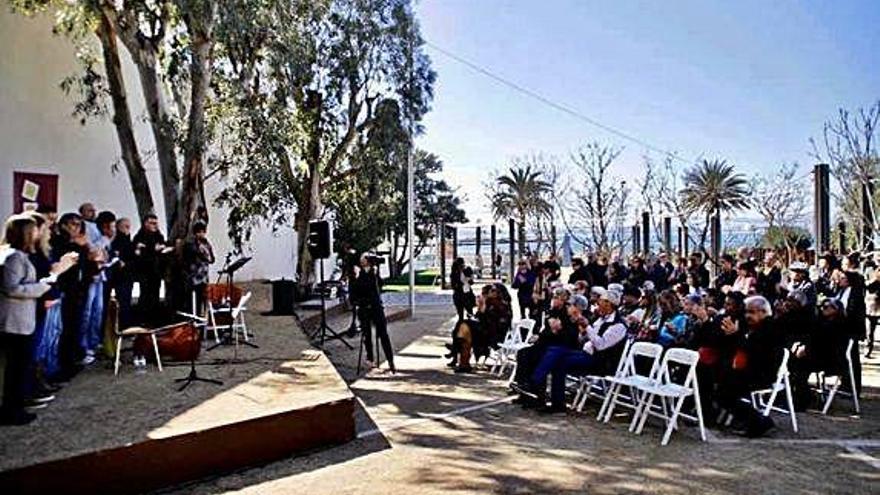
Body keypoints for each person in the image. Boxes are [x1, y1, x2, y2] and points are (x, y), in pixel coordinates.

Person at [1, 214, 75, 425]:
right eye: (33, 230)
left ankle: (17, 405)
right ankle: (11, 409)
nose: (38, 233)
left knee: (20, 366)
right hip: (15, 320)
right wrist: (45, 284)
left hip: (22, 318)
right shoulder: (14, 257)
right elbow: (12, 287)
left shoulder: (20, 256)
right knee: (16, 367)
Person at [523, 289, 628, 413]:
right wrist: (581, 330)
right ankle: (544, 393)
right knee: (554, 351)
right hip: (585, 353)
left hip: (601, 361)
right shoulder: (600, 319)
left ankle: (538, 387)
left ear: (609, 304)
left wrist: (587, 327)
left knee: (559, 360)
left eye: (600, 302)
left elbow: (601, 345)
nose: (597, 304)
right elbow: (586, 338)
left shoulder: (618, 326)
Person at [714, 295, 781, 437]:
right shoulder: (751, 326)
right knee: (714, 376)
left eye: (752, 312)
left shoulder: (771, 328)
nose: (747, 315)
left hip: (761, 373)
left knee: (724, 391)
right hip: (746, 369)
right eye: (746, 312)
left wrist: (736, 334)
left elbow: (754, 351)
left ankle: (759, 421)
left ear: (763, 312)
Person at [351, 254, 395, 372]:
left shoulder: (374, 274)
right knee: (367, 334)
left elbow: (379, 285)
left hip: (376, 308)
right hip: (364, 308)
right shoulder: (358, 274)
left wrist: (376, 272)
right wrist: (356, 276)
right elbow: (355, 291)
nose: (364, 260)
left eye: (366, 258)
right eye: (364, 258)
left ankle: (390, 359)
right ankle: (370, 357)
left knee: (383, 334)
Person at [132, 213, 167, 324]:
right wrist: (153, 248)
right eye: (152, 223)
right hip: (144, 272)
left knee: (155, 295)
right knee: (145, 295)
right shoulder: (140, 236)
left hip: (156, 271)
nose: (154, 226)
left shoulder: (159, 236)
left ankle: (154, 320)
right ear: (145, 223)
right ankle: (142, 320)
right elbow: (139, 251)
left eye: (156, 223)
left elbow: (163, 246)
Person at [182, 221, 215, 315]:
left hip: (203, 276)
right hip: (193, 276)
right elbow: (189, 257)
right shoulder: (190, 244)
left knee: (203, 298)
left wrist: (209, 254)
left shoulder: (206, 243)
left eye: (203, 232)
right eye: (199, 232)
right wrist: (200, 251)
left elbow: (211, 259)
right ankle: (192, 317)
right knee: (192, 300)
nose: (201, 234)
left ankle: (202, 316)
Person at [110, 218, 136, 328]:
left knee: (126, 301)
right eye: (125, 226)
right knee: (123, 302)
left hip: (128, 275)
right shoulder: (118, 241)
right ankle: (123, 325)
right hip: (121, 276)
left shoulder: (128, 240)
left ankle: (125, 324)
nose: (128, 229)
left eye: (129, 226)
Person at [866, 267, 880, 358]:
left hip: (876, 306)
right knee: (870, 331)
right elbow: (867, 287)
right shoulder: (873, 279)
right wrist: (875, 280)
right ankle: (868, 349)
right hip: (872, 307)